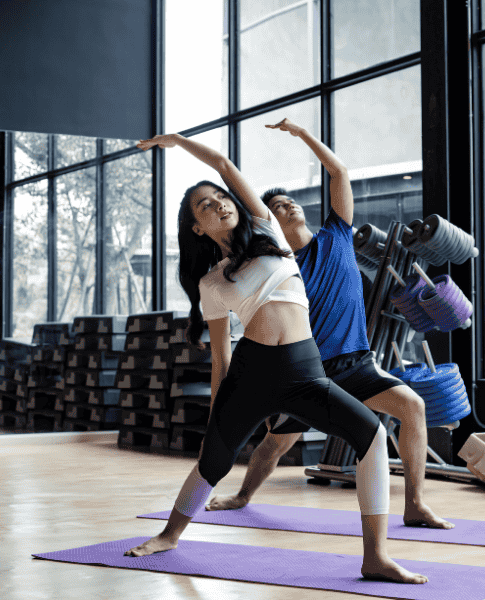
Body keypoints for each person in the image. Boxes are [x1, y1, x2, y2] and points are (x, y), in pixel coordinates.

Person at [123, 128, 428, 585]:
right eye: (205, 206)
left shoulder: (268, 229)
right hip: (252, 373)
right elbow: (221, 357)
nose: (219, 204)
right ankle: (170, 533)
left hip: (306, 369)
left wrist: (180, 142)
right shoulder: (212, 282)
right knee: (214, 461)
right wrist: (215, 415)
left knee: (369, 435)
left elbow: (225, 165)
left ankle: (375, 556)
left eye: (220, 198)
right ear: (197, 228)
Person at [206, 118, 454, 531]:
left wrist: (303, 135)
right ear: (271, 224)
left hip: (357, 362)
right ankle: (242, 495)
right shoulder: (276, 265)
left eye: (291, 201)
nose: (290, 206)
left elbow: (339, 172)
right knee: (276, 444)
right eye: (279, 207)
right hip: (309, 372)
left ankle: (415, 504)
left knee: (413, 406)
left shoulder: (338, 234)